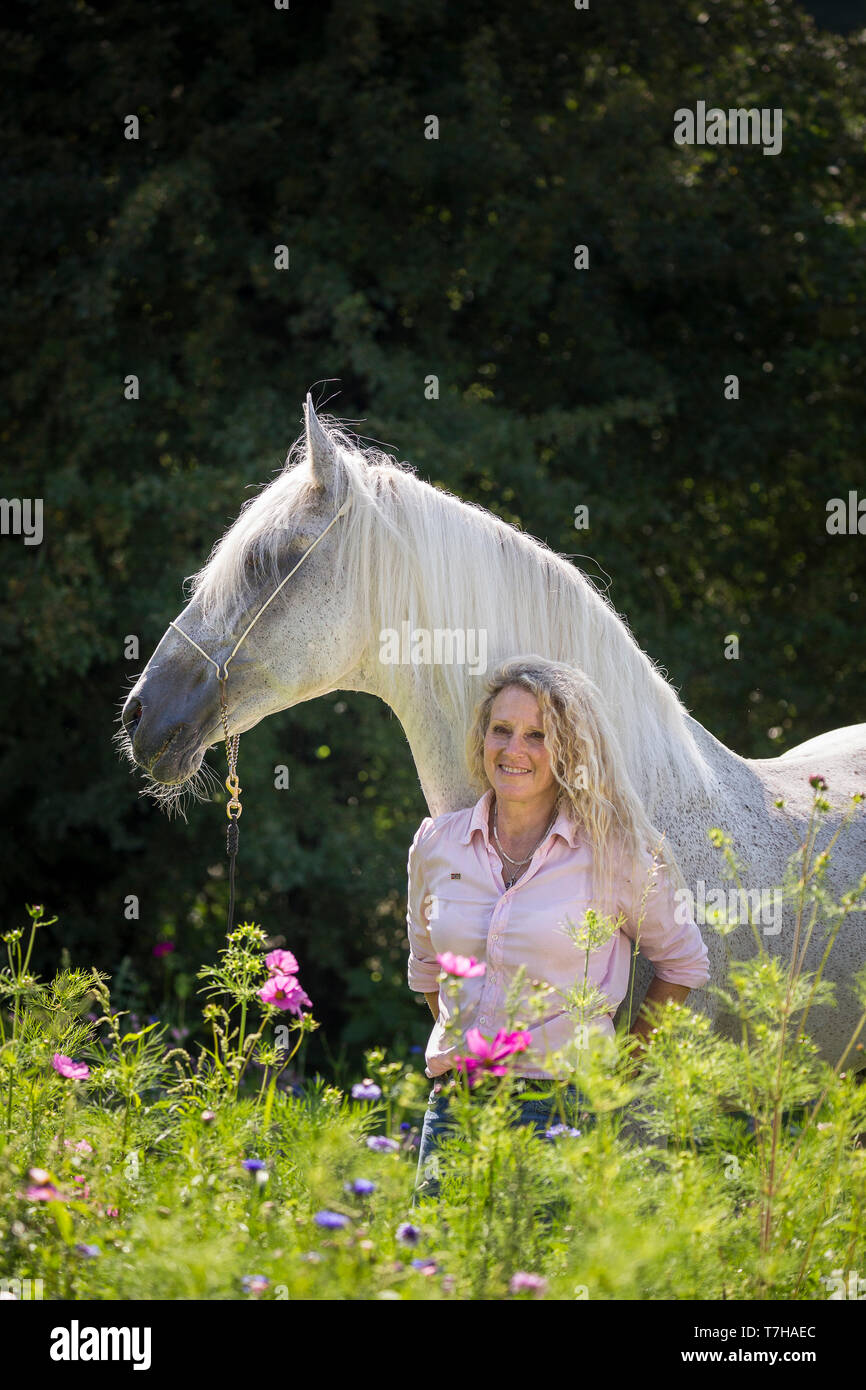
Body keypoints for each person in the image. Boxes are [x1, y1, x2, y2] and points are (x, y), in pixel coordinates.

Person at [406, 655, 710, 1200]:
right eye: (502, 730)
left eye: (536, 735)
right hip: (456, 1105)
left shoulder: (615, 852)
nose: (514, 749)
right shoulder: (437, 844)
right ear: (483, 739)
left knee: (548, 1278)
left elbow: (684, 963)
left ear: (567, 750)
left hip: (564, 1112)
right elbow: (428, 970)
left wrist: (619, 1070)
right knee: (436, 1274)